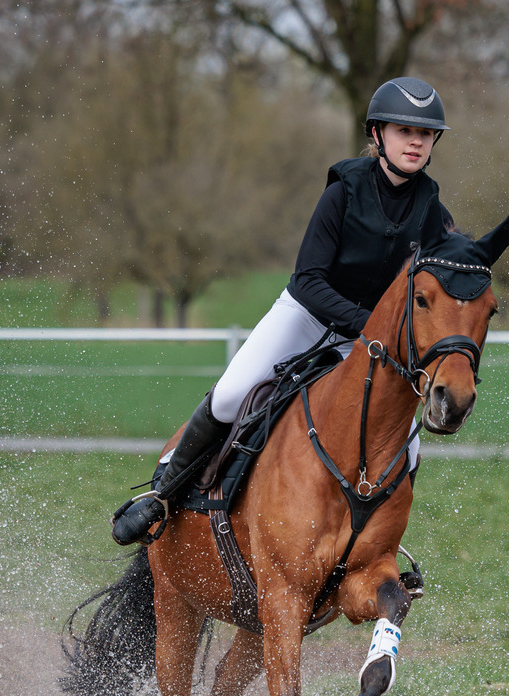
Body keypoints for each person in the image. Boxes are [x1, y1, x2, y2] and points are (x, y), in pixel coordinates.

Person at [112, 76, 453, 546]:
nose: (415, 142)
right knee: (233, 393)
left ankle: (383, 544)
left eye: (425, 134)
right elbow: (310, 281)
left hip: (368, 342)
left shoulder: (432, 209)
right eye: (403, 131)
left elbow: (443, 276)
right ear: (377, 135)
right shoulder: (343, 192)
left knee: (406, 446)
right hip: (306, 316)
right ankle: (163, 496)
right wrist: (369, 326)